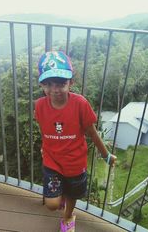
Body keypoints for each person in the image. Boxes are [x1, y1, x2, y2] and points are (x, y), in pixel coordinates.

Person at [34, 51, 117, 232]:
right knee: (52, 204)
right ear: (42, 84)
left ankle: (68, 217)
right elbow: (45, 129)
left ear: (71, 82)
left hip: (75, 162)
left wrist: (106, 155)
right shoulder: (39, 105)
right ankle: (60, 198)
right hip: (52, 161)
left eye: (61, 83)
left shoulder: (80, 104)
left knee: (72, 195)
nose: (55, 89)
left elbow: (92, 133)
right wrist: (44, 147)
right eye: (49, 84)